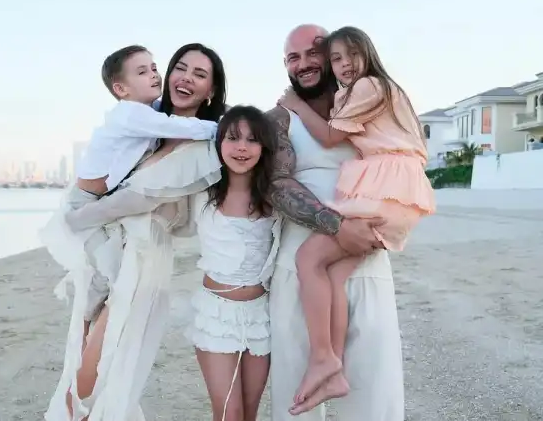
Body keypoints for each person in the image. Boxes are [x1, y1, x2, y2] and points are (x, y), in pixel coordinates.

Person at [43, 43, 227, 421]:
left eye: (199, 74)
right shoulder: (148, 121)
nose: (184, 78)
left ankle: (75, 413)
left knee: (108, 355)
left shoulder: (202, 146)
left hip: (142, 258)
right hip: (114, 244)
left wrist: (79, 219)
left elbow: (143, 199)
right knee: (89, 345)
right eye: (180, 68)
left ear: (211, 90)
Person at [277, 26, 435, 413]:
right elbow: (274, 182)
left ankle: (324, 359)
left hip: (379, 206)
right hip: (375, 206)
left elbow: (332, 138)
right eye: (293, 57)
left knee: (309, 259)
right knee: (328, 276)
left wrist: (296, 105)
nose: (343, 64)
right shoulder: (286, 116)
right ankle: (329, 364)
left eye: (317, 53)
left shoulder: (366, 89)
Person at [175, 105, 280, 421]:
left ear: (264, 147)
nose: (242, 148)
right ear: (219, 143)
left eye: (252, 139)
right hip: (216, 315)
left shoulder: (275, 197)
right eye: (233, 138)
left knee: (249, 413)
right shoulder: (201, 192)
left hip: (261, 315)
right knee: (228, 413)